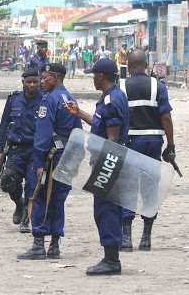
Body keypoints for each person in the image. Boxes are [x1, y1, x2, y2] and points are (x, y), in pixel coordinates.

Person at [64, 58, 129, 275]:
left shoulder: (111, 100)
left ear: (101, 76)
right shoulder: (112, 97)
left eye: (94, 74)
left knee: (106, 209)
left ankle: (111, 260)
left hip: (107, 162)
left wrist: (105, 168)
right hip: (110, 161)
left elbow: (111, 138)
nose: (93, 77)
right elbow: (102, 126)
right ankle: (112, 257)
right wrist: (79, 113)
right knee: (109, 208)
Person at [17, 64, 82, 260]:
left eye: (44, 78)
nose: (42, 82)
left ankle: (38, 243)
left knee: (41, 198)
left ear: (55, 78)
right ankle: (55, 245)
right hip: (67, 153)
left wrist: (38, 163)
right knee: (58, 201)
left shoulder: (49, 100)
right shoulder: (70, 99)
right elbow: (77, 131)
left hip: (51, 156)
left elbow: (43, 135)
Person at [119, 49, 175, 252]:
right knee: (150, 186)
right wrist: (170, 145)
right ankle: (146, 237)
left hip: (130, 141)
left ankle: (126, 238)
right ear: (146, 64)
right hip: (152, 141)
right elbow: (166, 117)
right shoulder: (157, 85)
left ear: (128, 64)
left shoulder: (122, 86)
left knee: (128, 186)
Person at [0, 68, 44, 233]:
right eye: (28, 82)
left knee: (31, 186)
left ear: (40, 83)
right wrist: (0, 150)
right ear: (23, 83)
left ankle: (26, 218)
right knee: (7, 182)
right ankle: (18, 203)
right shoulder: (13, 100)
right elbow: (4, 125)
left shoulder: (45, 100)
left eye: (35, 82)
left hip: (35, 150)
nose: (32, 85)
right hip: (16, 149)